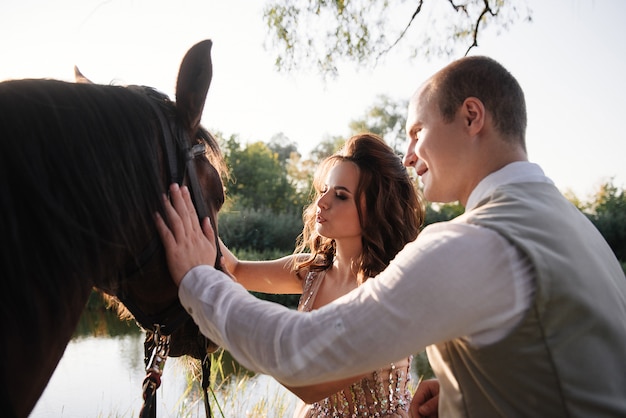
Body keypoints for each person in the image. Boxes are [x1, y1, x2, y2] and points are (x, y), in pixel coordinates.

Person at [155, 56, 626, 417]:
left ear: (471, 116)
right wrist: (466, 397)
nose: (409, 154)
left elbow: (302, 358)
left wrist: (199, 280)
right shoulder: (573, 228)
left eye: (417, 131)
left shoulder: (474, 243)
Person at [217, 133, 424, 417]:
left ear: (376, 209)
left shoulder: (388, 289)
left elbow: (313, 384)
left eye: (340, 195)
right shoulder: (310, 272)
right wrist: (190, 207)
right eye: (324, 190)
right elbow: (235, 270)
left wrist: (224, 317)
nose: (322, 202)